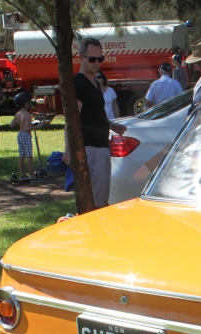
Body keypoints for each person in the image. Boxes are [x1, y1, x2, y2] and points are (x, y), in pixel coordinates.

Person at [62, 37, 127, 209]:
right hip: (90, 149)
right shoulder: (79, 84)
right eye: (92, 59)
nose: (96, 63)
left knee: (103, 199)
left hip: (102, 147)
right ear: (80, 58)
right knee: (97, 203)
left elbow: (96, 113)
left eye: (100, 59)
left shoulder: (96, 84)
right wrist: (68, 149)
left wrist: (112, 126)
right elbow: (71, 120)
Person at [9, 91, 44, 181]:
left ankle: (23, 174)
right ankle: (32, 176)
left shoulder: (18, 113)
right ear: (25, 104)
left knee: (21, 155)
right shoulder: (28, 115)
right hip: (26, 136)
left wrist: (20, 122)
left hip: (20, 135)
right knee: (29, 156)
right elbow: (27, 127)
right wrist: (38, 126)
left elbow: (12, 124)